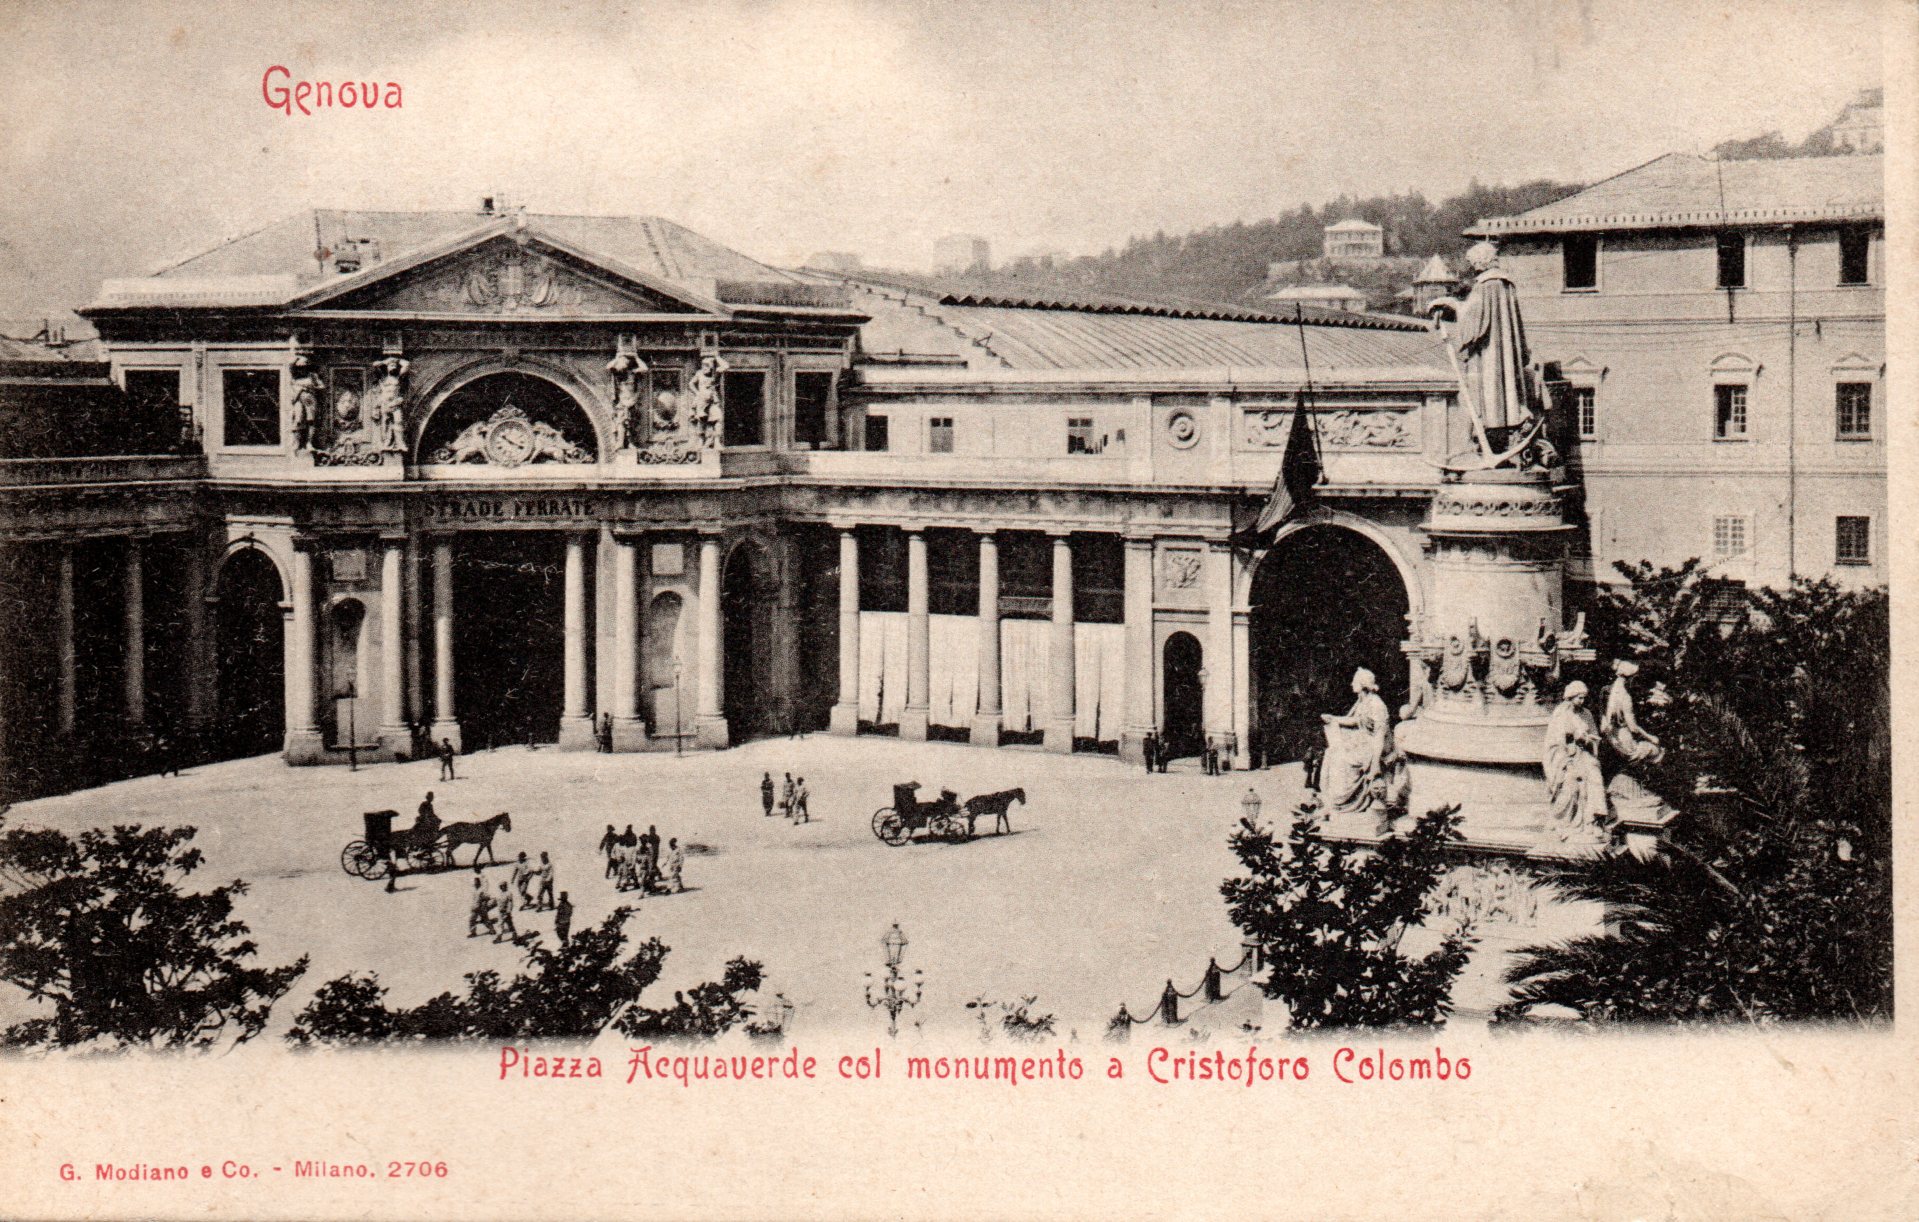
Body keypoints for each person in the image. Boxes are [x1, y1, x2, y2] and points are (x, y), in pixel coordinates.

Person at [1319, 668, 1391, 817]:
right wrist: (1334, 718)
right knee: (1331, 752)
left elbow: (1379, 736)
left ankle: (1341, 801)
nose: (1352, 684)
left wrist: (1375, 764)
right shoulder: (1363, 701)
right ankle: (1331, 799)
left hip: (1374, 746)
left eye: (1354, 681)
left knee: (1341, 759)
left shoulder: (1377, 705)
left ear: (1362, 684)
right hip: (1362, 741)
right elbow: (1356, 721)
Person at [1543, 681, 1610, 841]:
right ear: (1571, 697)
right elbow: (1555, 741)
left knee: (1595, 776)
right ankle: (1563, 822)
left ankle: (1594, 820)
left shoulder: (1586, 714)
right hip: (1566, 757)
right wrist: (1569, 748)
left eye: (1584, 698)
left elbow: (1595, 736)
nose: (1582, 701)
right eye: (1579, 698)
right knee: (1571, 782)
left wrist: (1588, 740)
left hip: (1584, 753)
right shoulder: (1561, 714)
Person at [467, 871, 495, 938]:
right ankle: (473, 932)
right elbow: (474, 899)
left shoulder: (481, 891)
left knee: (485, 920)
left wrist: (485, 902)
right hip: (475, 908)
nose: (475, 884)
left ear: (479, 883)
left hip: (480, 908)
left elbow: (486, 897)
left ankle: (492, 930)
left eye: (476, 883)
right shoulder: (475, 890)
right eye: (475, 883)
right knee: (472, 920)